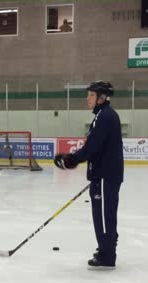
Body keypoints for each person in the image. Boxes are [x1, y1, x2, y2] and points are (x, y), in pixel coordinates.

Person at [54, 81, 124, 270]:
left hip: (104, 176)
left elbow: (92, 147)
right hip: (104, 175)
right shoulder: (104, 115)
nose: (88, 98)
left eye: (91, 95)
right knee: (106, 214)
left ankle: (106, 255)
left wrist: (71, 160)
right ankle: (106, 250)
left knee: (102, 216)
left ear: (102, 98)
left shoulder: (104, 117)